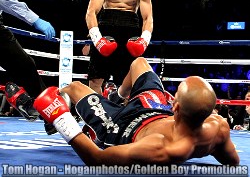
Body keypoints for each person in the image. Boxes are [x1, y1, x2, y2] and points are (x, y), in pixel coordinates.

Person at [16, 57, 238, 167]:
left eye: (176, 94)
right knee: (140, 63)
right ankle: (116, 96)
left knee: (74, 87)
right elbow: (233, 163)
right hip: (156, 110)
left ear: (176, 106)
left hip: (120, 126)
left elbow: (98, 160)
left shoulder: (161, 147)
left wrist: (61, 119)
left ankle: (43, 113)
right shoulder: (218, 127)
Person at [0, 0, 80, 134]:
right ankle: (17, 94)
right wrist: (34, 19)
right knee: (22, 64)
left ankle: (50, 115)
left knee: (24, 64)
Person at [85, 0, 153, 95]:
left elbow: (148, 17)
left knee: (127, 80)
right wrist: (97, 39)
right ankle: (96, 116)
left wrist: (144, 40)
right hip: (107, 23)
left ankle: (124, 117)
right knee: (95, 79)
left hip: (130, 26)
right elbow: (91, 12)